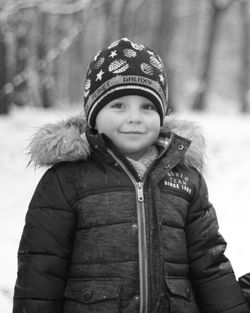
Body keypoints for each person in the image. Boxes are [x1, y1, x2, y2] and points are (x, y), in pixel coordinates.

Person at [12, 37, 249, 313]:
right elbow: (41, 270)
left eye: (147, 106)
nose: (135, 117)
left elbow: (209, 265)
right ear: (94, 116)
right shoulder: (66, 180)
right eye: (119, 106)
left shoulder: (186, 179)